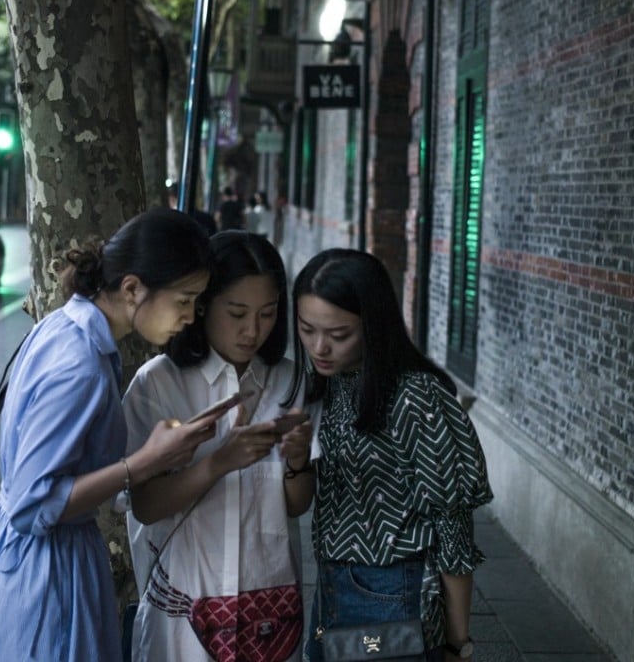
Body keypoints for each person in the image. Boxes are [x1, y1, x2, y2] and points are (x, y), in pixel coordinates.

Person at [0, 209, 223, 662]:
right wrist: (146, 463)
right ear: (133, 288)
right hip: (44, 579)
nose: (191, 317)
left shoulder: (70, 327)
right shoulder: (79, 362)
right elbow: (32, 503)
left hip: (24, 564)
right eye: (183, 300)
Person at [287, 249, 493, 662]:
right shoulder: (329, 383)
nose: (320, 347)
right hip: (331, 587)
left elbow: (453, 526)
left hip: (392, 591)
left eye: (339, 334)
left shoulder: (418, 398)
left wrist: (458, 641)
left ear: (373, 325)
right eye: (307, 329)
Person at [122, 230, 314, 662]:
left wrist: (298, 463)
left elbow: (297, 504)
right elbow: (145, 506)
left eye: (267, 314)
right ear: (203, 303)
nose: (252, 331)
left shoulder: (288, 380)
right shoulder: (159, 384)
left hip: (270, 609)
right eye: (237, 313)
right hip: (183, 609)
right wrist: (219, 461)